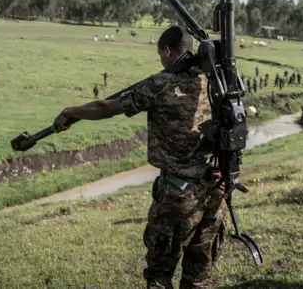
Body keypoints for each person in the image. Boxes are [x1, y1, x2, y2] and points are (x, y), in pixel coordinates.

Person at [53, 26, 227, 289]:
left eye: (161, 55)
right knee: (198, 278)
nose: (161, 61)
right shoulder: (214, 80)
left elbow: (105, 108)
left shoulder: (161, 84)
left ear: (167, 51)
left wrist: (69, 111)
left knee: (159, 275)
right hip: (216, 190)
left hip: (178, 196)